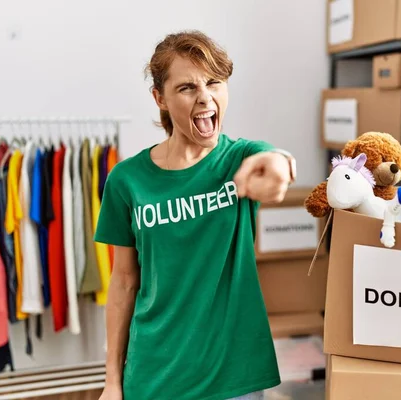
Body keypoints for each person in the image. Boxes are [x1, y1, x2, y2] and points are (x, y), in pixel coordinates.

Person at [95, 30, 297, 400]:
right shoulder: (127, 180)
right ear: (160, 99)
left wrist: (279, 168)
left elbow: (272, 159)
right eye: (187, 87)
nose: (205, 97)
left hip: (234, 378)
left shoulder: (238, 159)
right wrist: (111, 381)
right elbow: (124, 283)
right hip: (154, 376)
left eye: (215, 82)